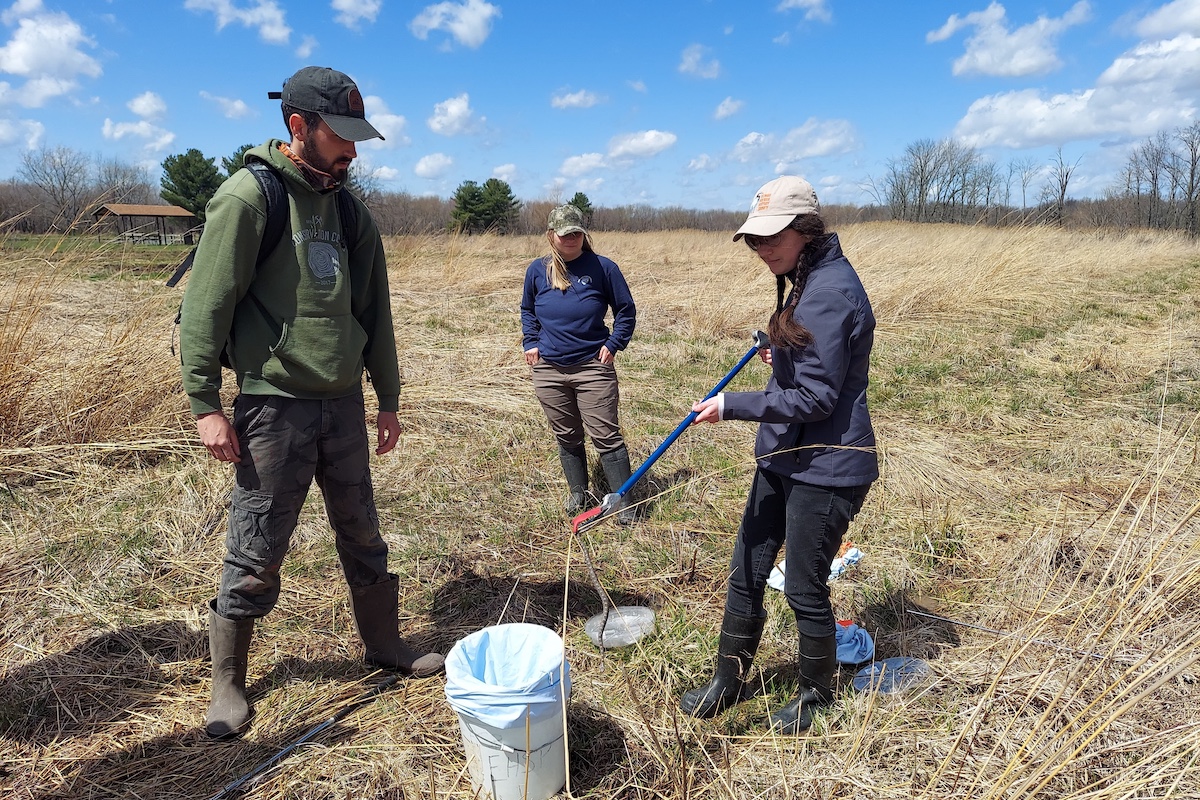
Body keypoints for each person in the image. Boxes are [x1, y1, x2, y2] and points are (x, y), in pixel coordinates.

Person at [179, 66, 443, 740]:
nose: (353, 151)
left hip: (343, 407)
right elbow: (207, 302)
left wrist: (387, 397)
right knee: (257, 546)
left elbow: (373, 310)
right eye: (341, 136)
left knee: (364, 534)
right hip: (274, 407)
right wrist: (205, 402)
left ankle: (385, 645)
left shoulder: (351, 212)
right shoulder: (249, 198)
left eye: (358, 137)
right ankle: (228, 685)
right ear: (298, 127)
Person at [679, 176, 877, 734]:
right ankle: (728, 679)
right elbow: (811, 368)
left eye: (772, 237)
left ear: (805, 230)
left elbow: (817, 397)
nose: (762, 248)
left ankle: (818, 696)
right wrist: (781, 352)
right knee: (746, 567)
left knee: (803, 584)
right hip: (786, 452)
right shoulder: (804, 278)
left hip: (828, 461)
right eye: (755, 239)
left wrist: (731, 404)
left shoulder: (830, 289)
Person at [521, 205, 638, 523]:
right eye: (565, 233)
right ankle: (578, 493)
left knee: (606, 435)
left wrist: (614, 343)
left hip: (592, 367)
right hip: (548, 370)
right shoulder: (537, 270)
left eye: (577, 232)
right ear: (551, 236)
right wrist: (530, 342)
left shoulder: (603, 268)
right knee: (567, 435)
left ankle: (623, 503)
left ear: (584, 235)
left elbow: (625, 310)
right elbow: (528, 310)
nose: (571, 238)